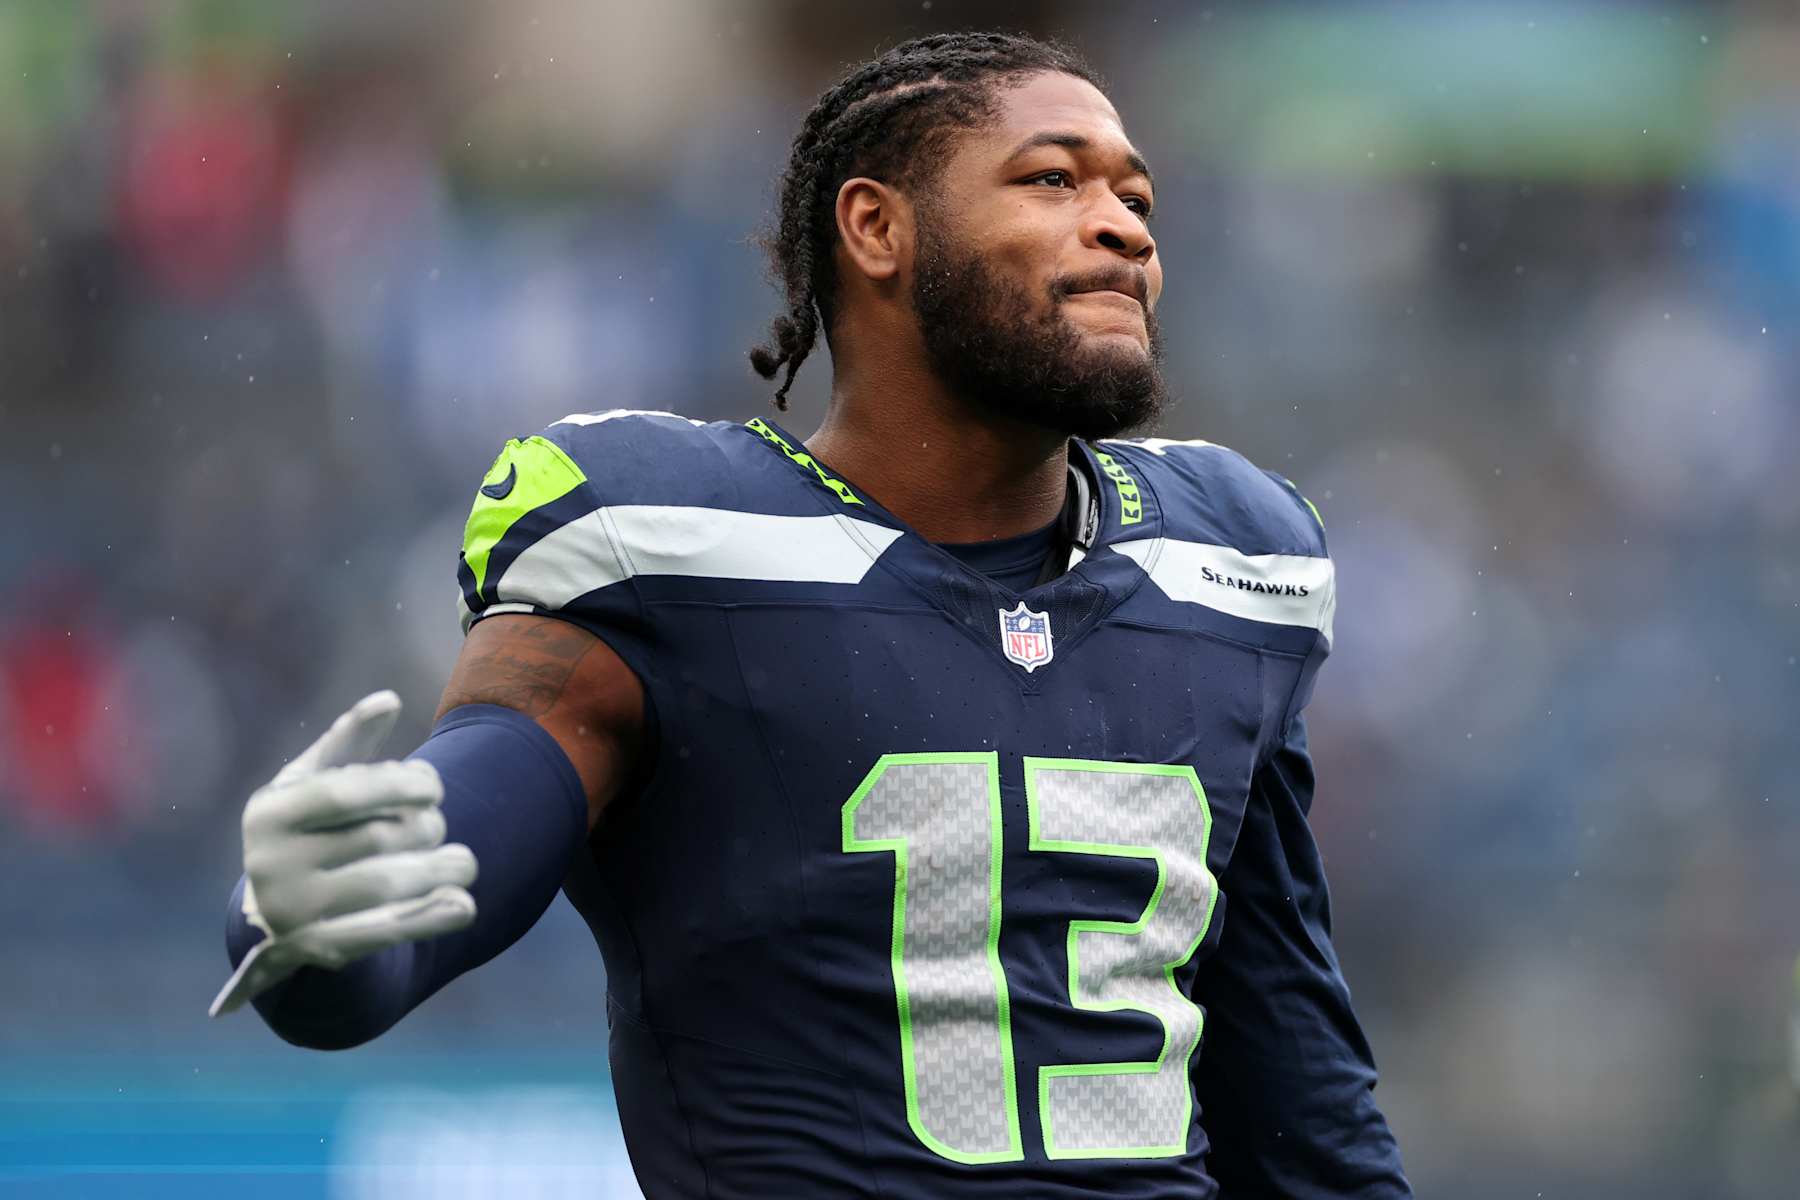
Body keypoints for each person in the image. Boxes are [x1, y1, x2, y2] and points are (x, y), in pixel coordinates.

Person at [213, 32, 1410, 1198]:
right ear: (876, 227)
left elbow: (1297, 1100)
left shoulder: (1225, 561)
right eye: (1053, 180)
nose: (1125, 227)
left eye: (1135, 196)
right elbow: (441, 875)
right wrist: (313, 930)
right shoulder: (668, 543)